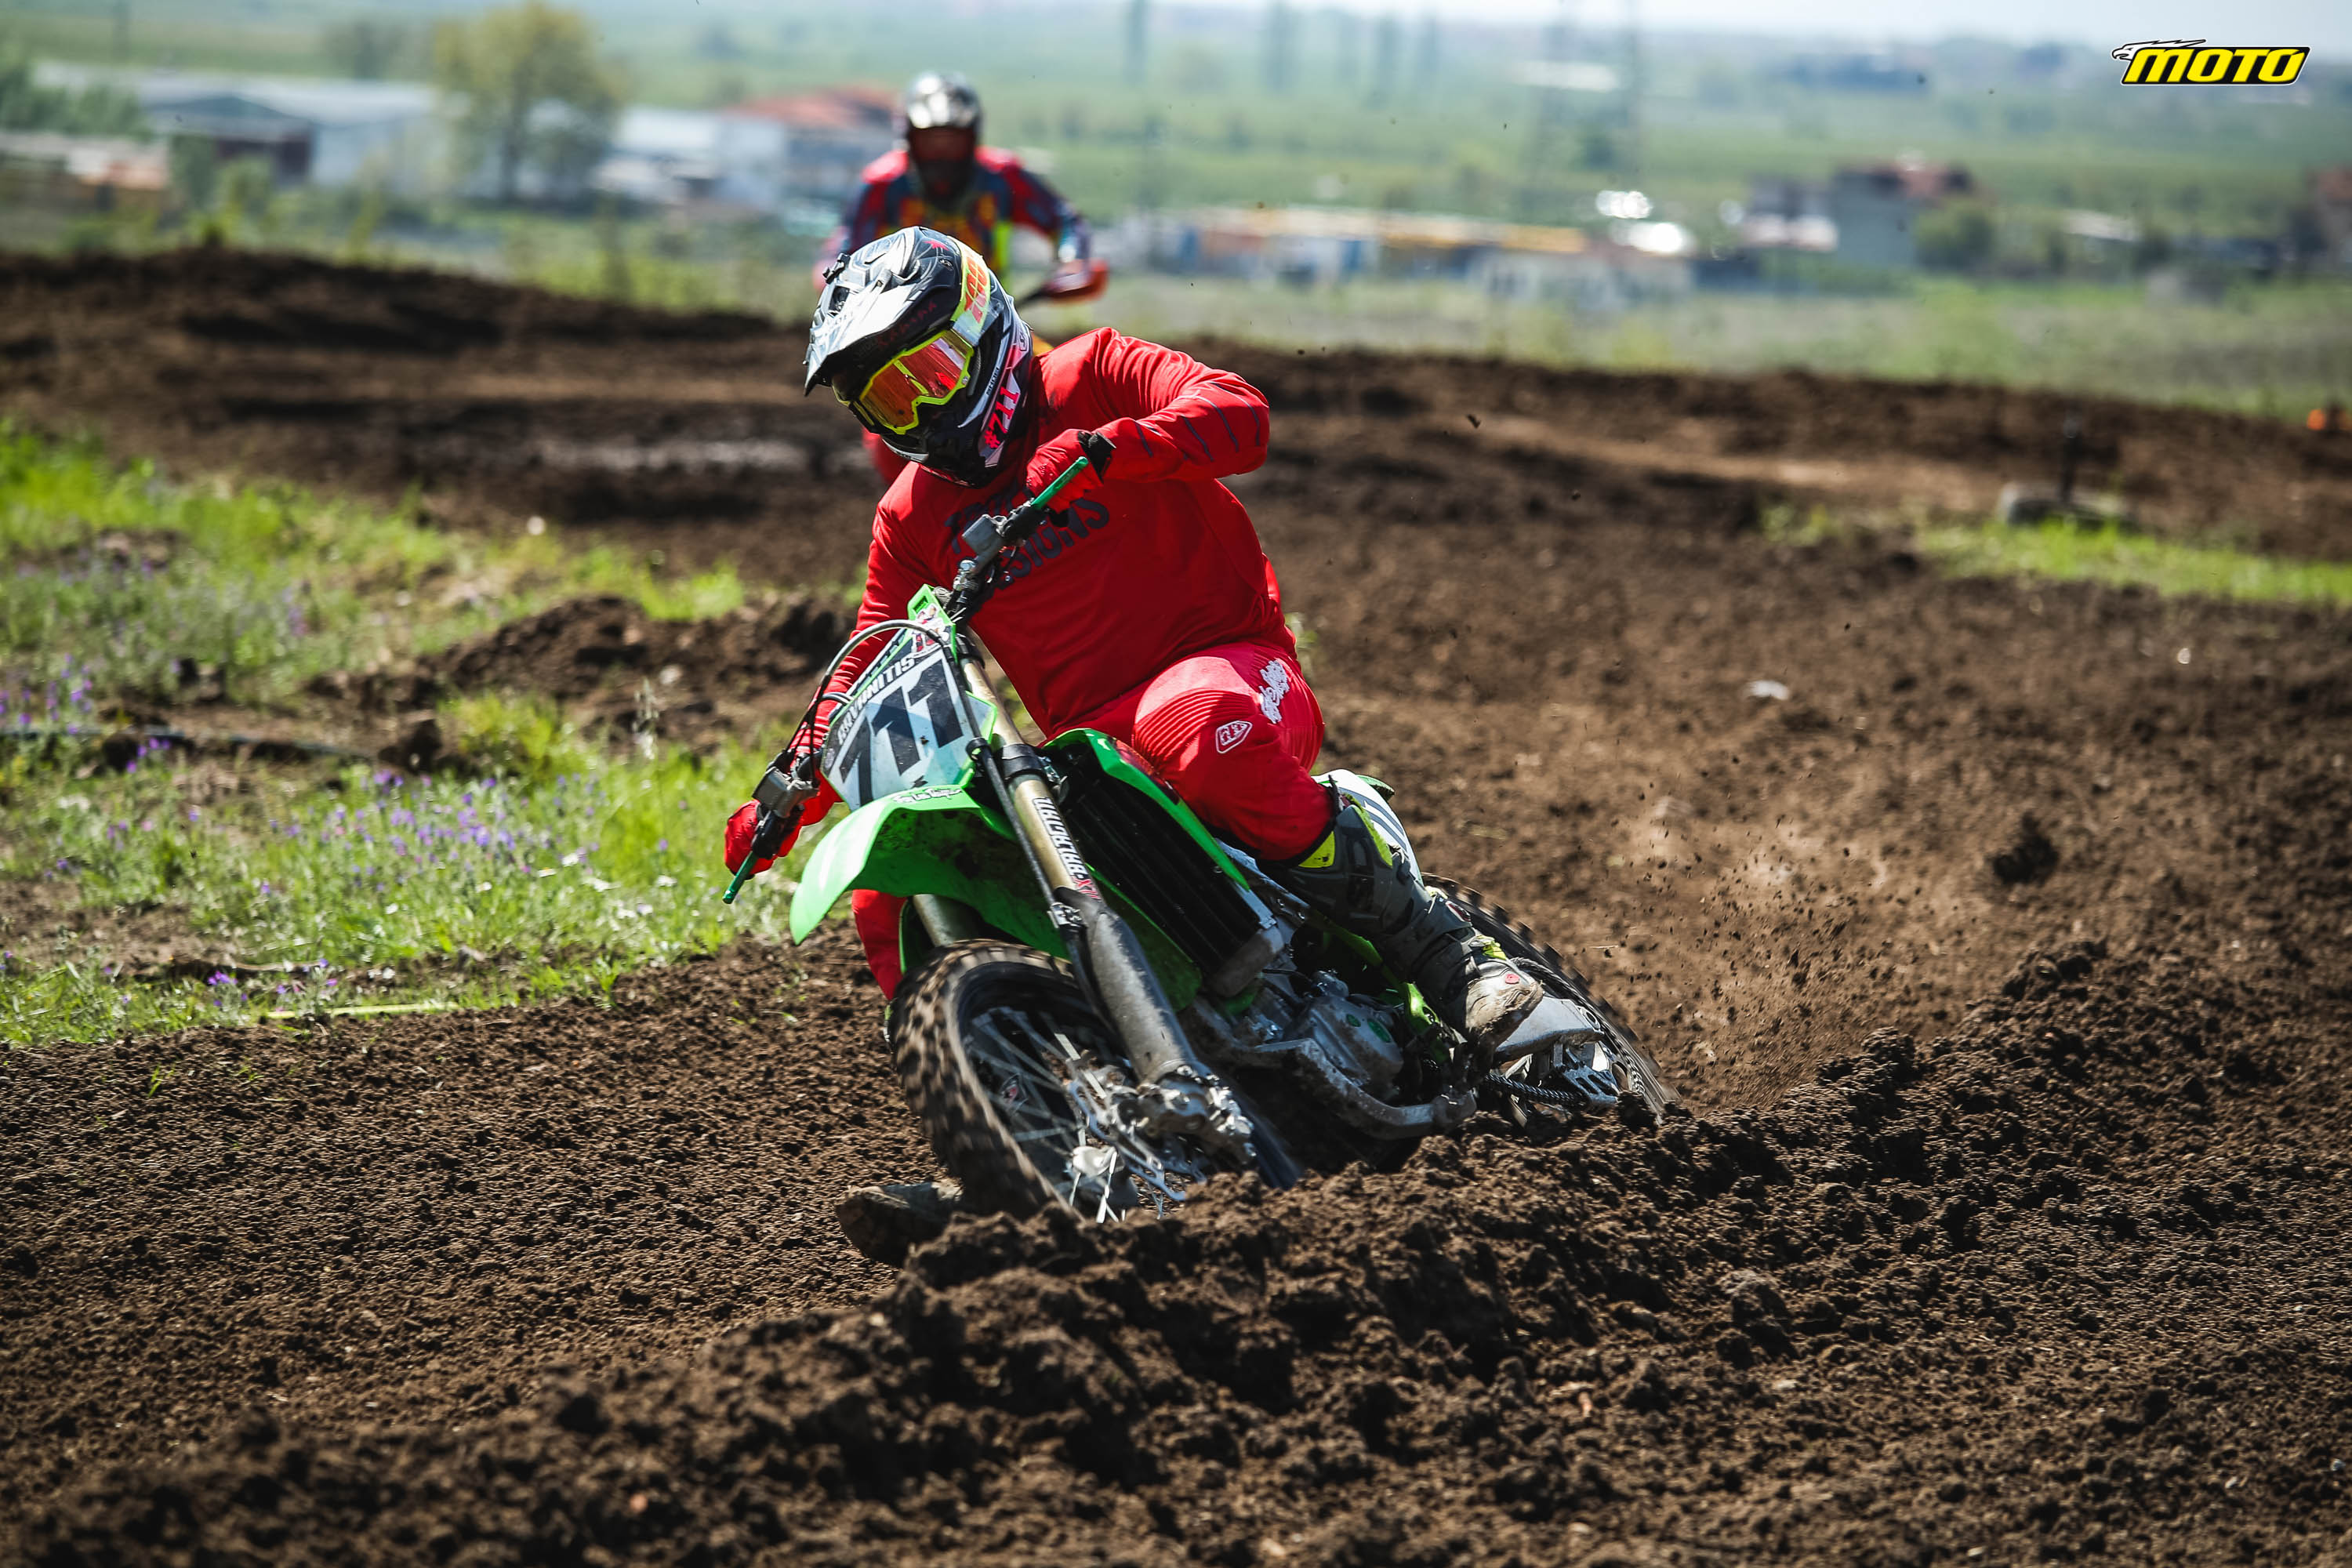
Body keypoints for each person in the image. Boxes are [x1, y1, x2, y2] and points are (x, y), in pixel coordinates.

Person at [725, 227, 1540, 1061]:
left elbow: (1241, 413)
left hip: (1232, 670)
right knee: (896, 880)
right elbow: (874, 655)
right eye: (889, 403)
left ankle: (1448, 954)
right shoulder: (910, 515)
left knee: (1191, 723)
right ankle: (1020, 1096)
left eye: (926, 377)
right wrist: (790, 789)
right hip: (1097, 757)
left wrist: (1111, 449)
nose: (923, 414)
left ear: (980, 332)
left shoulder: (1096, 372)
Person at [822, 71, 1101, 485]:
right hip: (905, 336)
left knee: (1060, 392)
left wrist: (1072, 260)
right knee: (887, 434)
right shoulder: (883, 184)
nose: (942, 155)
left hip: (993, 324)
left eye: (952, 141)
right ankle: (922, 515)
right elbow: (844, 247)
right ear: (909, 139)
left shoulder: (1002, 176)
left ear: (972, 139)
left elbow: (1063, 219)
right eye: (931, 142)